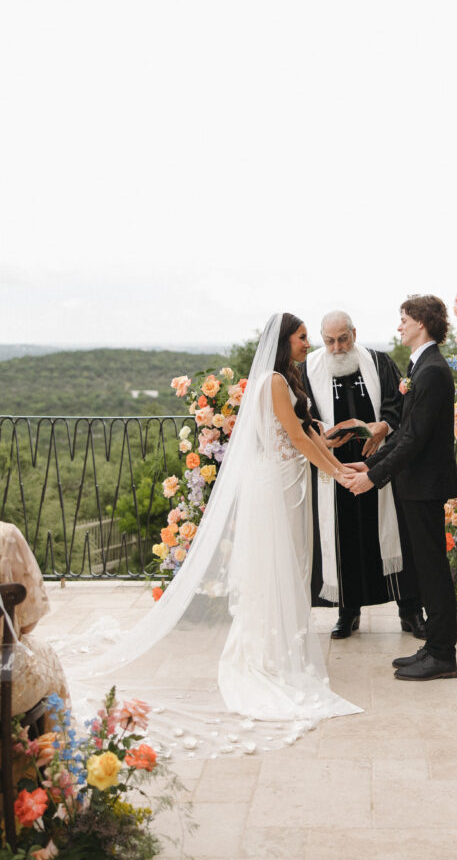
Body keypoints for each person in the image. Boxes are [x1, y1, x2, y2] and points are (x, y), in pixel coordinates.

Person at [63, 314, 360, 755]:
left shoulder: (286, 377)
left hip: (289, 482)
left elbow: (306, 433)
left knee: (290, 565)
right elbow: (296, 439)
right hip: (276, 487)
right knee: (274, 568)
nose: (307, 344)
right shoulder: (274, 381)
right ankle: (268, 658)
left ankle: (284, 648)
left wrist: (335, 456)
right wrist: (337, 473)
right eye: (301, 337)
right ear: (284, 341)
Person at [344, 295, 457, 681]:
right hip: (415, 484)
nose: (400, 327)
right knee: (424, 568)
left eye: (404, 320)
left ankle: (443, 654)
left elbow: (414, 440)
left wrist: (372, 478)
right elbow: (406, 432)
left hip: (425, 485)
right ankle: (433, 646)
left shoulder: (432, 371)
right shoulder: (422, 366)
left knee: (433, 570)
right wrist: (370, 462)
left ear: (422, 324)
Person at [300, 310, 425, 639]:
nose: (338, 347)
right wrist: (324, 434)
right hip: (335, 467)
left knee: (395, 533)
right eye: (330, 341)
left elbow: (399, 404)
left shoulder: (380, 362)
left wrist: (382, 426)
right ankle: (347, 612)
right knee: (345, 539)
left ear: (354, 333)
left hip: (381, 462)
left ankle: (410, 611)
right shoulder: (308, 370)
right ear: (322, 340)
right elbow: (303, 415)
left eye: (343, 338)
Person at [0, 521, 70, 717]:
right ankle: (36, 743)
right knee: (46, 656)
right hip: (4, 679)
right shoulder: (7, 536)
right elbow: (28, 625)